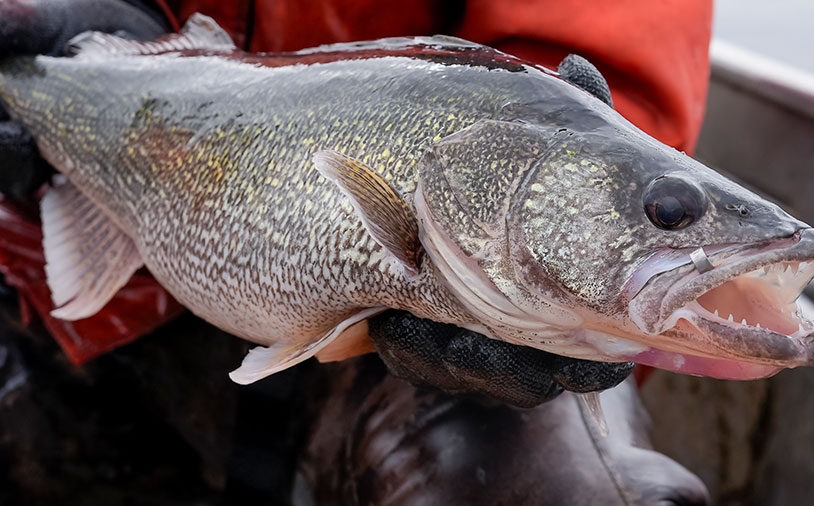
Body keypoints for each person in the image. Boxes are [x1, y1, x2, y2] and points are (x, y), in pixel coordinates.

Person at [0, 1, 712, 503]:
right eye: (673, 219)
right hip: (84, 276)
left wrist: (552, 118)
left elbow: (599, 64)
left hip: (418, 350)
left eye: (672, 218)